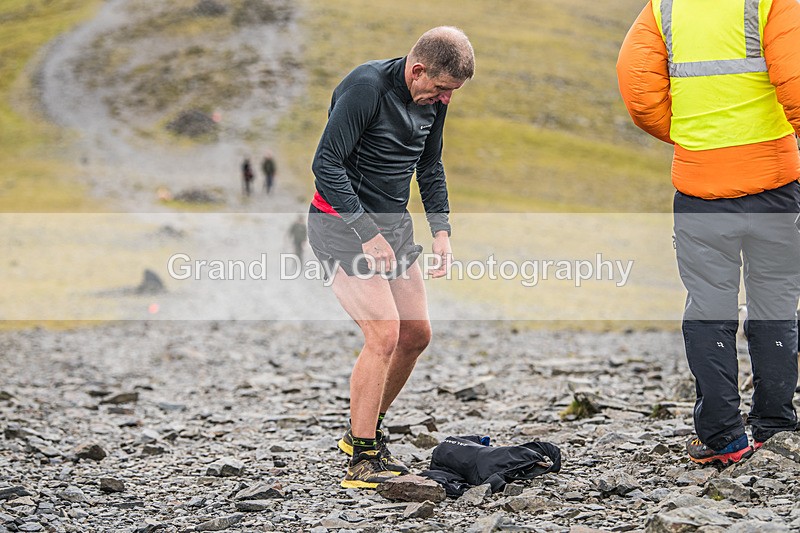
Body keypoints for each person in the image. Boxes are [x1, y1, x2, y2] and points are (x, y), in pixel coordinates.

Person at [617, 0, 800, 465]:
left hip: (700, 188)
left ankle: (723, 439)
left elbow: (639, 92)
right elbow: (797, 81)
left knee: (708, 308)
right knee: (775, 302)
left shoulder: (664, 7)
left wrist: (693, 138)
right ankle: (775, 426)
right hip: (776, 187)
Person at [307, 26, 474, 488]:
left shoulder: (435, 99)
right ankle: (362, 460)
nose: (445, 99)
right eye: (441, 88)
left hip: (393, 227)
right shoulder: (366, 88)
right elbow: (326, 164)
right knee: (383, 334)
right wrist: (365, 232)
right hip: (341, 227)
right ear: (417, 70)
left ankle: (362, 430)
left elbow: (430, 165)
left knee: (416, 334)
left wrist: (441, 231)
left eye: (452, 92)